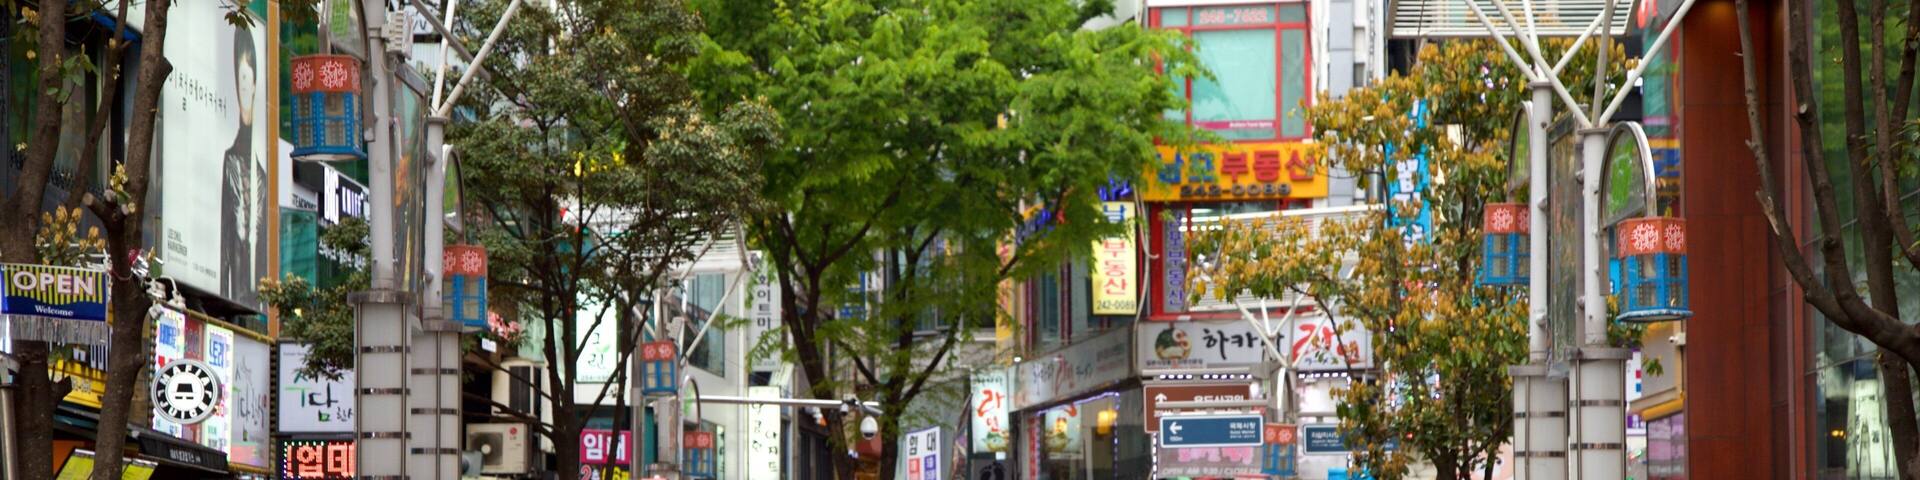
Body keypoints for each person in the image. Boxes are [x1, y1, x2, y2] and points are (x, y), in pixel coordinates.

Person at [221, 27, 259, 301]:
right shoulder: (229, 161)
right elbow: (224, 243)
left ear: (256, 81)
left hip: (254, 301)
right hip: (232, 296)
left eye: (248, 76)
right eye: (239, 76)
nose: (243, 84)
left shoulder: (262, 175)